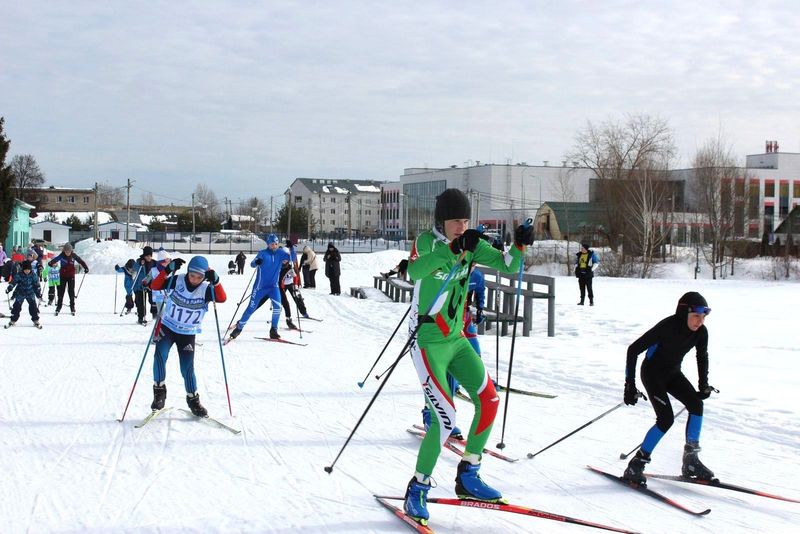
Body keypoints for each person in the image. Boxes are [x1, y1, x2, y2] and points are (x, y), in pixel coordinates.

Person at [402, 188, 534, 525]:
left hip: (457, 339)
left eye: (465, 220)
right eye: (455, 221)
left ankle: (469, 473)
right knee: (444, 416)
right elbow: (415, 273)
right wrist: (452, 250)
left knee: (489, 399)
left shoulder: (471, 244)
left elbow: (509, 266)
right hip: (428, 342)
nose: (461, 226)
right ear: (441, 222)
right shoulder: (428, 242)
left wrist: (520, 243)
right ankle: (418, 487)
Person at [622, 291, 716, 486]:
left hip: (672, 373)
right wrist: (629, 385)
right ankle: (636, 464)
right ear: (684, 314)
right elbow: (633, 350)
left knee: (696, 406)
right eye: (696, 316)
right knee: (666, 419)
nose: (700, 321)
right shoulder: (667, 327)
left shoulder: (701, 332)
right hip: (652, 374)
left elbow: (702, 356)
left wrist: (703, 385)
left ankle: (691, 461)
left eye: (703, 316)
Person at [148, 256, 227, 416]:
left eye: (199, 277)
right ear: (188, 272)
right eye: (192, 275)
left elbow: (222, 298)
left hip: (188, 333)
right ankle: (159, 393)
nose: (195, 279)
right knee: (159, 356)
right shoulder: (177, 280)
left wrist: (216, 281)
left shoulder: (206, 289)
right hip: (168, 328)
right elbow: (155, 286)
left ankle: (193, 401)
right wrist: (167, 270)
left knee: (187, 369)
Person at [228, 234, 292, 341]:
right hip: (260, 287)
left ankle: (273, 330)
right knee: (250, 309)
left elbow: (290, 259)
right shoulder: (262, 253)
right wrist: (257, 262)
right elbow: (252, 264)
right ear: (268, 244)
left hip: (273, 287)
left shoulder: (280, 253)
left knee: (277, 307)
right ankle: (239, 328)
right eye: (272, 244)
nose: (274, 246)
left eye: (276, 244)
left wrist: (290, 249)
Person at [48, 243, 89, 316]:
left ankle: (72, 307)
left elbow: (80, 261)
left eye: (68, 251)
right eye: (66, 251)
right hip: (62, 276)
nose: (67, 253)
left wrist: (85, 267)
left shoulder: (73, 255)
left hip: (71, 276)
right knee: (61, 292)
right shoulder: (62, 255)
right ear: (64, 251)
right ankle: (58, 307)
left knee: (71, 292)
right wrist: (51, 263)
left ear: (71, 251)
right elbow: (55, 260)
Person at [5, 260, 42, 327]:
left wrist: (38, 293)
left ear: (30, 269)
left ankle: (35, 320)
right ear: (23, 269)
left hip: (30, 293)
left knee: (33, 307)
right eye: (25, 270)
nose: (27, 271)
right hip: (20, 293)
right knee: (16, 307)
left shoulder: (33, 275)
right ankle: (13, 319)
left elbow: (37, 285)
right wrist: (9, 288)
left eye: (28, 269)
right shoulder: (19, 274)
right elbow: (13, 282)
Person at [279, 258, 308, 328]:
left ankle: (304, 312)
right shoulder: (278, 266)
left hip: (290, 284)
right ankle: (277, 315)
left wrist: (295, 286)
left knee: (297, 297)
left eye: (285, 260)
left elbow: (295, 277)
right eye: (283, 259)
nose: (284, 261)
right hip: (282, 286)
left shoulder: (290, 267)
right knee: (281, 300)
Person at [133, 247, 155, 325]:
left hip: (150, 285)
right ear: (144, 256)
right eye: (147, 256)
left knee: (153, 300)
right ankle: (141, 317)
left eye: (150, 256)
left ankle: (154, 316)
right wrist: (140, 264)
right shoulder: (139, 261)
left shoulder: (153, 262)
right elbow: (134, 267)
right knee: (141, 303)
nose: (149, 257)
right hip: (140, 285)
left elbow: (160, 267)